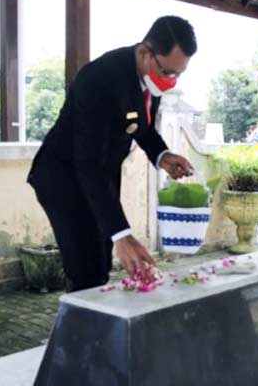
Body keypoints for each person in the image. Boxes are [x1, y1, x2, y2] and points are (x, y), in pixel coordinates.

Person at [27, 16, 196, 292]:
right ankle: (78, 332)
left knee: (101, 262)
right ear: (145, 53)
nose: (171, 81)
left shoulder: (150, 79)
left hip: (100, 174)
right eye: (168, 72)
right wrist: (123, 234)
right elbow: (87, 162)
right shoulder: (98, 79)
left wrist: (162, 155)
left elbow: (141, 126)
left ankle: (95, 328)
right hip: (63, 177)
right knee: (85, 268)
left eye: (179, 74)